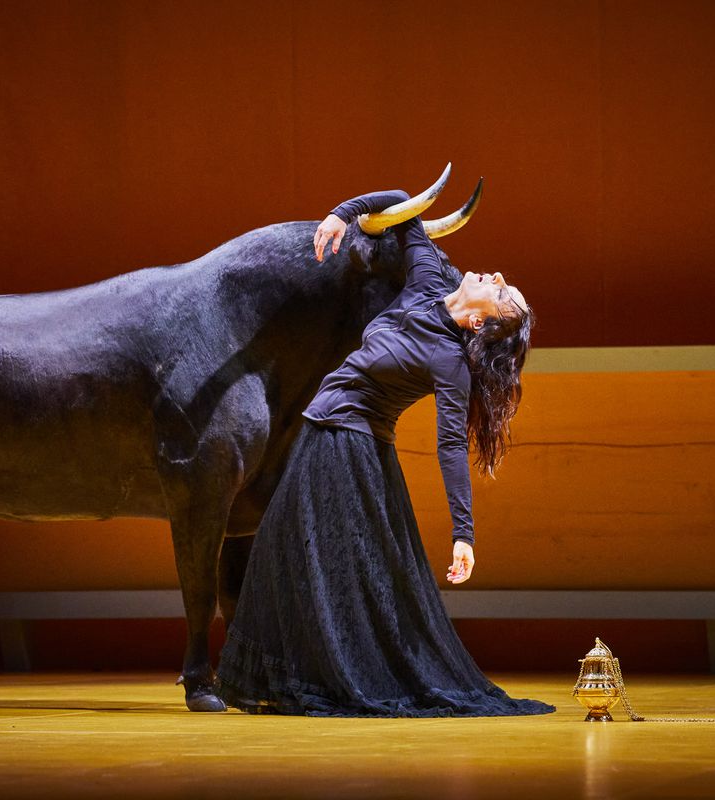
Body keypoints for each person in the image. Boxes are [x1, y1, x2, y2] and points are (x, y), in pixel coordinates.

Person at [215, 186, 555, 717]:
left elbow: (448, 448)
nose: (497, 277)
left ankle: (329, 682)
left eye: (504, 294)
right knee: (300, 557)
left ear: (480, 324)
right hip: (326, 434)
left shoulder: (451, 362)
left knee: (311, 559)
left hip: (349, 447)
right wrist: (339, 215)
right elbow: (401, 204)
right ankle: (306, 680)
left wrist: (463, 533)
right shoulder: (426, 285)